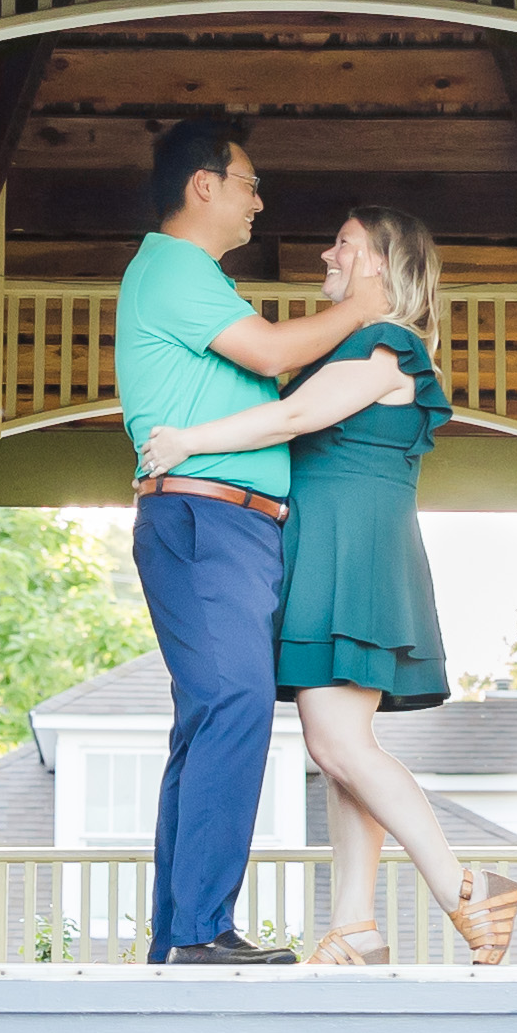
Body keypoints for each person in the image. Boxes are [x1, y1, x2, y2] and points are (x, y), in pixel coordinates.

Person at [146, 203, 517, 968]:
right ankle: (354, 922)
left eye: (342, 243)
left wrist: (188, 440)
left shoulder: (386, 343)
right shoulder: (366, 344)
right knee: (341, 744)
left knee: (337, 739)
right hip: (337, 549)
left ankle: (465, 886)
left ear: (380, 261)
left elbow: (293, 414)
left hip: (351, 555)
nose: (326, 252)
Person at [114, 115, 412, 967]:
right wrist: (364, 302)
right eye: (248, 183)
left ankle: (180, 935)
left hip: (230, 525)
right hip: (206, 516)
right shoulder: (173, 267)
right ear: (202, 184)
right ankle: (199, 929)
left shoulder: (189, 278)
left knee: (211, 714)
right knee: (236, 704)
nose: (259, 201)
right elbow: (275, 353)